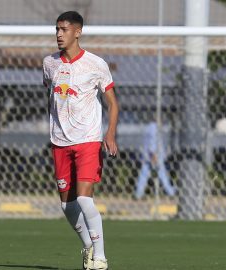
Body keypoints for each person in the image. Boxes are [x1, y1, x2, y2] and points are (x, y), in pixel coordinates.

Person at [42, 11, 119, 270]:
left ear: (78, 31)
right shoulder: (49, 63)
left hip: (88, 140)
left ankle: (100, 256)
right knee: (67, 205)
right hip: (60, 142)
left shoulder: (96, 64)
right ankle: (87, 246)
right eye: (57, 29)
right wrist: (53, 128)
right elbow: (50, 98)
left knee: (85, 199)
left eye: (64, 29)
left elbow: (112, 103)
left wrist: (109, 134)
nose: (59, 34)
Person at [135, 122, 175, 199]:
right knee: (162, 175)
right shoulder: (154, 128)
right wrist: (154, 157)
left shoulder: (148, 127)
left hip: (148, 156)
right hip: (155, 157)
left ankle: (138, 194)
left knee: (144, 175)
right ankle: (171, 193)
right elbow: (152, 144)